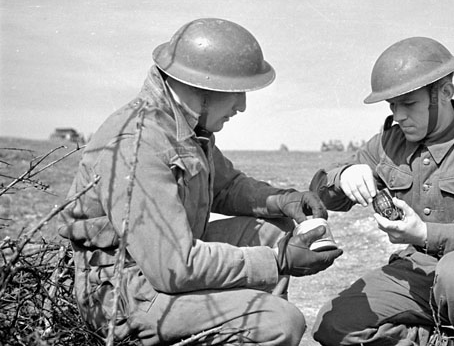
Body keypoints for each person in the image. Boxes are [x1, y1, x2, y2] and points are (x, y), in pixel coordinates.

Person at [58, 18, 343, 346]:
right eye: (236, 92)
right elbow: (173, 267)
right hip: (125, 295)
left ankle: (247, 322)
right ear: (201, 86)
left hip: (161, 265)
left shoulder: (185, 127)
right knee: (281, 322)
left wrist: (285, 200)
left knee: (273, 230)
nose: (242, 106)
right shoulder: (138, 142)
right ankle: (260, 326)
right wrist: (278, 260)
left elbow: (227, 186)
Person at [309, 37, 454, 346]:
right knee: (333, 325)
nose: (399, 115)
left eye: (409, 104)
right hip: (419, 272)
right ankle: (441, 341)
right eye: (393, 106)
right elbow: (322, 195)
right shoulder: (388, 143)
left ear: (444, 92)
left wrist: (425, 233)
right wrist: (343, 175)